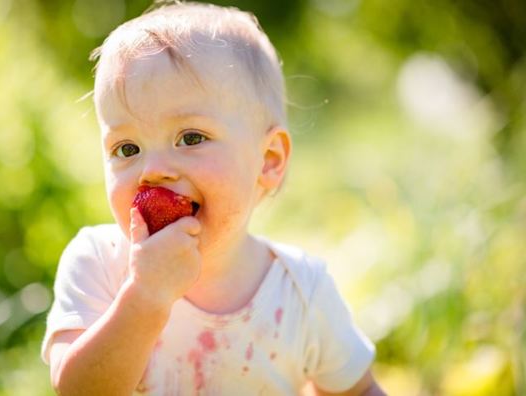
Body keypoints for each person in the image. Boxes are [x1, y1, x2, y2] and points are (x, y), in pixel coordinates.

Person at [41, 2, 385, 395]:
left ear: (268, 161)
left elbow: (359, 390)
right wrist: (145, 296)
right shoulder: (100, 263)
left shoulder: (302, 292)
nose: (152, 171)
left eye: (190, 138)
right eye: (127, 148)